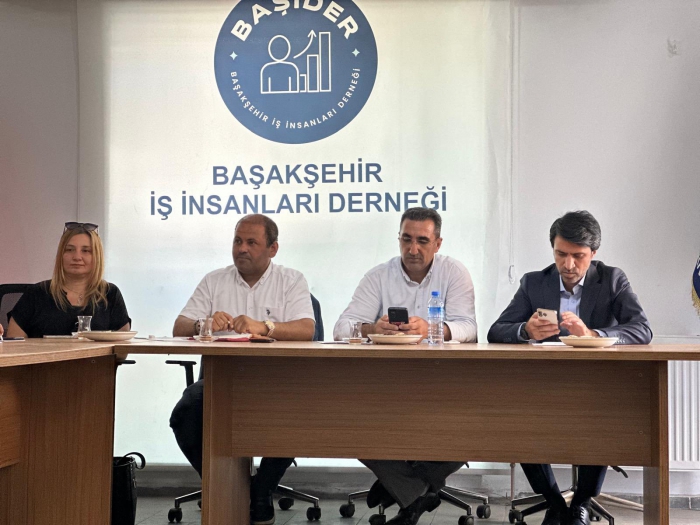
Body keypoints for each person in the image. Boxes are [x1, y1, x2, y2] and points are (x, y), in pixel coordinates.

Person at [488, 210, 652, 525]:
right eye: (561, 254)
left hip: (596, 386)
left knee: (603, 416)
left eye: (578, 256)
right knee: (518, 417)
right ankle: (554, 502)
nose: (569, 265)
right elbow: (497, 330)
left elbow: (642, 329)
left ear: (594, 253)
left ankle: (582, 502)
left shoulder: (612, 280)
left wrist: (593, 335)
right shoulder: (534, 282)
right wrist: (525, 330)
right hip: (543, 385)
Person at [334, 207, 477, 525]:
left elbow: (469, 327)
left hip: (444, 381)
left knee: (477, 424)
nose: (413, 249)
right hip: (386, 383)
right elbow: (342, 327)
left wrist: (433, 328)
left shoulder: (454, 273)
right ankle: (415, 490)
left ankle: (401, 484)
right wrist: (372, 328)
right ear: (398, 239)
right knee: (345, 418)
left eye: (422, 241)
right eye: (406, 239)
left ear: (437, 243)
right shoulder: (378, 276)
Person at [169, 214, 315, 525]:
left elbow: (306, 328)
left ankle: (261, 490)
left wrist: (265, 326)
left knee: (299, 411)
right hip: (223, 380)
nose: (242, 249)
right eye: (237, 241)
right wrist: (204, 324)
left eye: (251, 242)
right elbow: (179, 327)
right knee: (186, 411)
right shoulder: (215, 281)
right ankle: (227, 484)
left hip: (277, 381)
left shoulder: (291, 280)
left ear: (273, 249)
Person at [7, 222, 131, 337]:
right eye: (69, 250)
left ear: (97, 256)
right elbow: (14, 345)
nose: (77, 257)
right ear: (61, 255)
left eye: (86, 251)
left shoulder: (110, 294)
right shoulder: (36, 293)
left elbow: (122, 348)